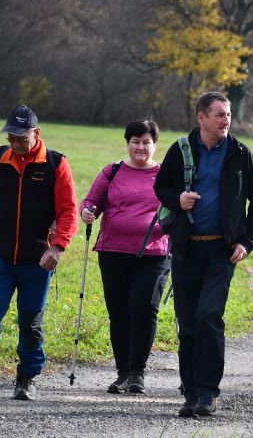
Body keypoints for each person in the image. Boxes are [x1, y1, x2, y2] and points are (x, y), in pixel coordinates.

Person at [154, 91, 253, 418]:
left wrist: (247, 241)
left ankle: (208, 392)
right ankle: (190, 392)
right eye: (219, 114)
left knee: (208, 315)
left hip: (222, 250)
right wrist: (178, 199)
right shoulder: (180, 150)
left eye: (228, 114)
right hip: (186, 248)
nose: (226, 120)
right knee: (187, 321)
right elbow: (161, 187)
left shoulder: (241, 153)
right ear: (201, 117)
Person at [0, 105, 78, 401]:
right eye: (11, 137)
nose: (15, 143)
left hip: (37, 260)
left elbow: (68, 211)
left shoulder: (55, 164)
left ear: (36, 133)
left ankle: (26, 379)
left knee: (30, 321)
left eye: (20, 138)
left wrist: (57, 246)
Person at [80, 120, 170, 395]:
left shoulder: (167, 175)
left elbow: (178, 206)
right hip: (113, 252)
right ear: (127, 143)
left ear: (155, 145)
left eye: (146, 142)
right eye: (135, 141)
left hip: (153, 254)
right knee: (118, 312)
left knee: (144, 308)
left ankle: (137, 373)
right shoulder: (112, 171)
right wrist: (88, 211)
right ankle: (123, 373)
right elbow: (90, 200)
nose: (140, 147)